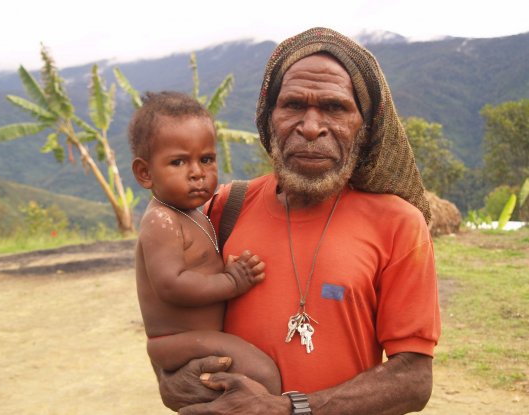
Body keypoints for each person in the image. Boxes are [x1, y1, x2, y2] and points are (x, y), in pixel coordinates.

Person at [158, 27, 441, 415]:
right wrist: (171, 380)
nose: (310, 127)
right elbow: (176, 325)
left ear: (366, 125)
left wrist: (290, 409)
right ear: (268, 117)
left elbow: (413, 380)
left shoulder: (399, 225)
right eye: (293, 105)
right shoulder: (226, 207)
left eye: (335, 108)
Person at [129, 91, 281, 395]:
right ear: (145, 173)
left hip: (198, 335)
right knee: (263, 374)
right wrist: (232, 282)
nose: (197, 173)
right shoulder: (162, 222)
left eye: (207, 159)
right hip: (176, 339)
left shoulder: (192, 214)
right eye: (178, 162)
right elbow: (171, 284)